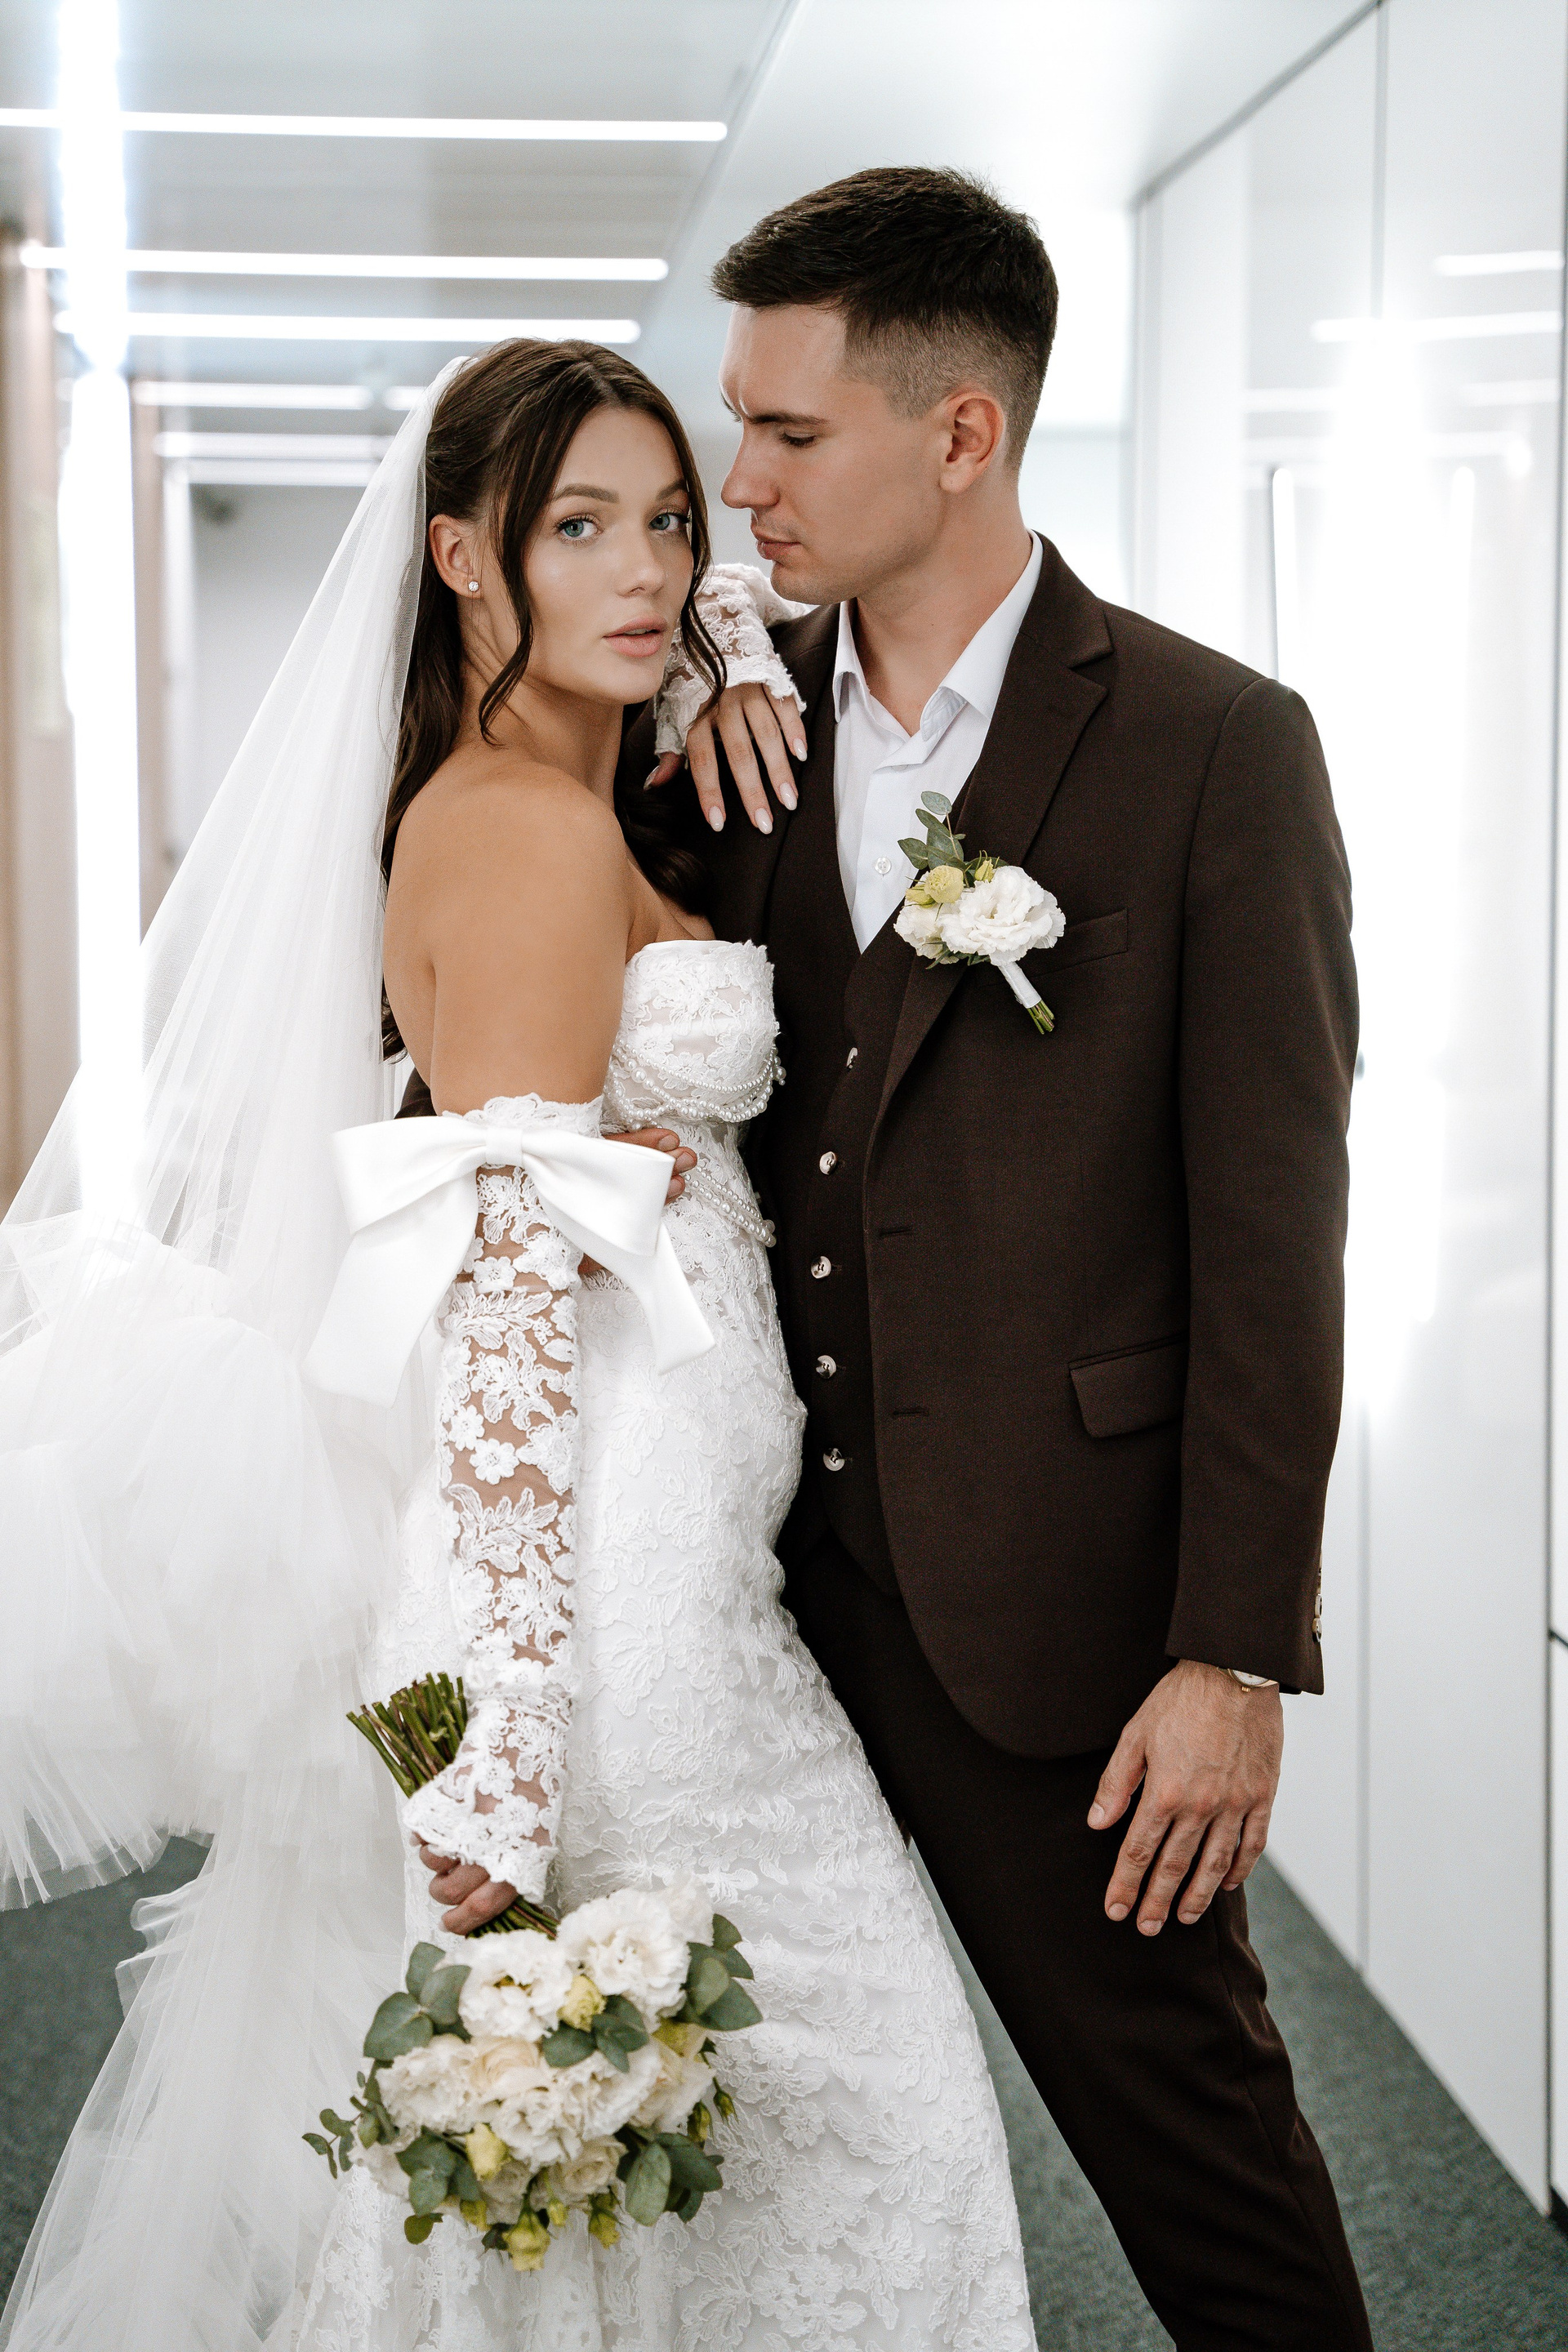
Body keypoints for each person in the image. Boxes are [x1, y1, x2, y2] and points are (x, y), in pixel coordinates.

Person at [0, 341, 1037, 2352]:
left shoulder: (557, 791)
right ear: (463, 558)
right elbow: (501, 1318)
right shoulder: (527, 835)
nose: (646, 569)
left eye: (670, 522)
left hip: (662, 1569)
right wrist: (508, 1743)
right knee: (864, 2100)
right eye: (579, 528)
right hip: (605, 1607)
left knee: (717, 2167)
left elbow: (667, 620)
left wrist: (723, 656)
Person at [637, 167, 1373, 2352]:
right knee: (726, 2153)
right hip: (739, 1598)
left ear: (963, 432)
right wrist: (698, 663)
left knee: (1208, 2178)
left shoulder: (1216, 750)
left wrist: (1232, 1652)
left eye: (789, 432)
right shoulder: (727, 728)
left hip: (1053, 1614)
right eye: (737, 425)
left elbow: (1275, 1237)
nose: (738, 485)